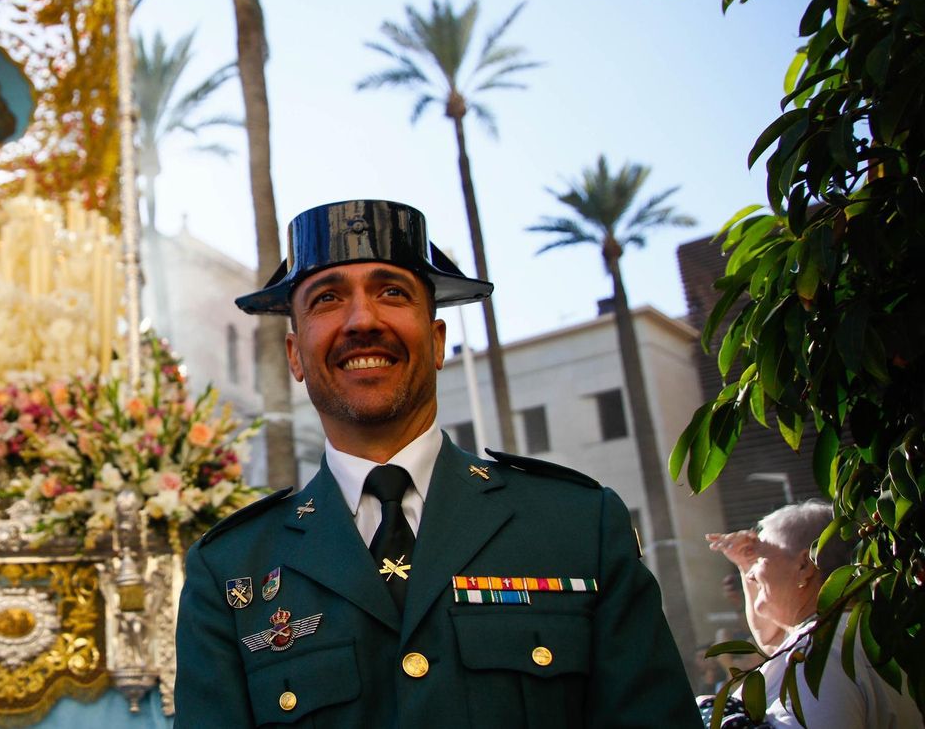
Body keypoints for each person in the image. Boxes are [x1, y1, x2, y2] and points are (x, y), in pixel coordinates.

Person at [173, 199, 694, 726]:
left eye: (392, 292)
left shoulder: (579, 527)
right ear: (294, 356)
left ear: (439, 340)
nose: (361, 320)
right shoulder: (230, 571)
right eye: (327, 299)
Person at [706, 501, 922, 728]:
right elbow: (769, 638)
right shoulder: (854, 629)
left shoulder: (818, 652)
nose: (751, 575)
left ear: (804, 567)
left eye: (760, 559)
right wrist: (745, 562)